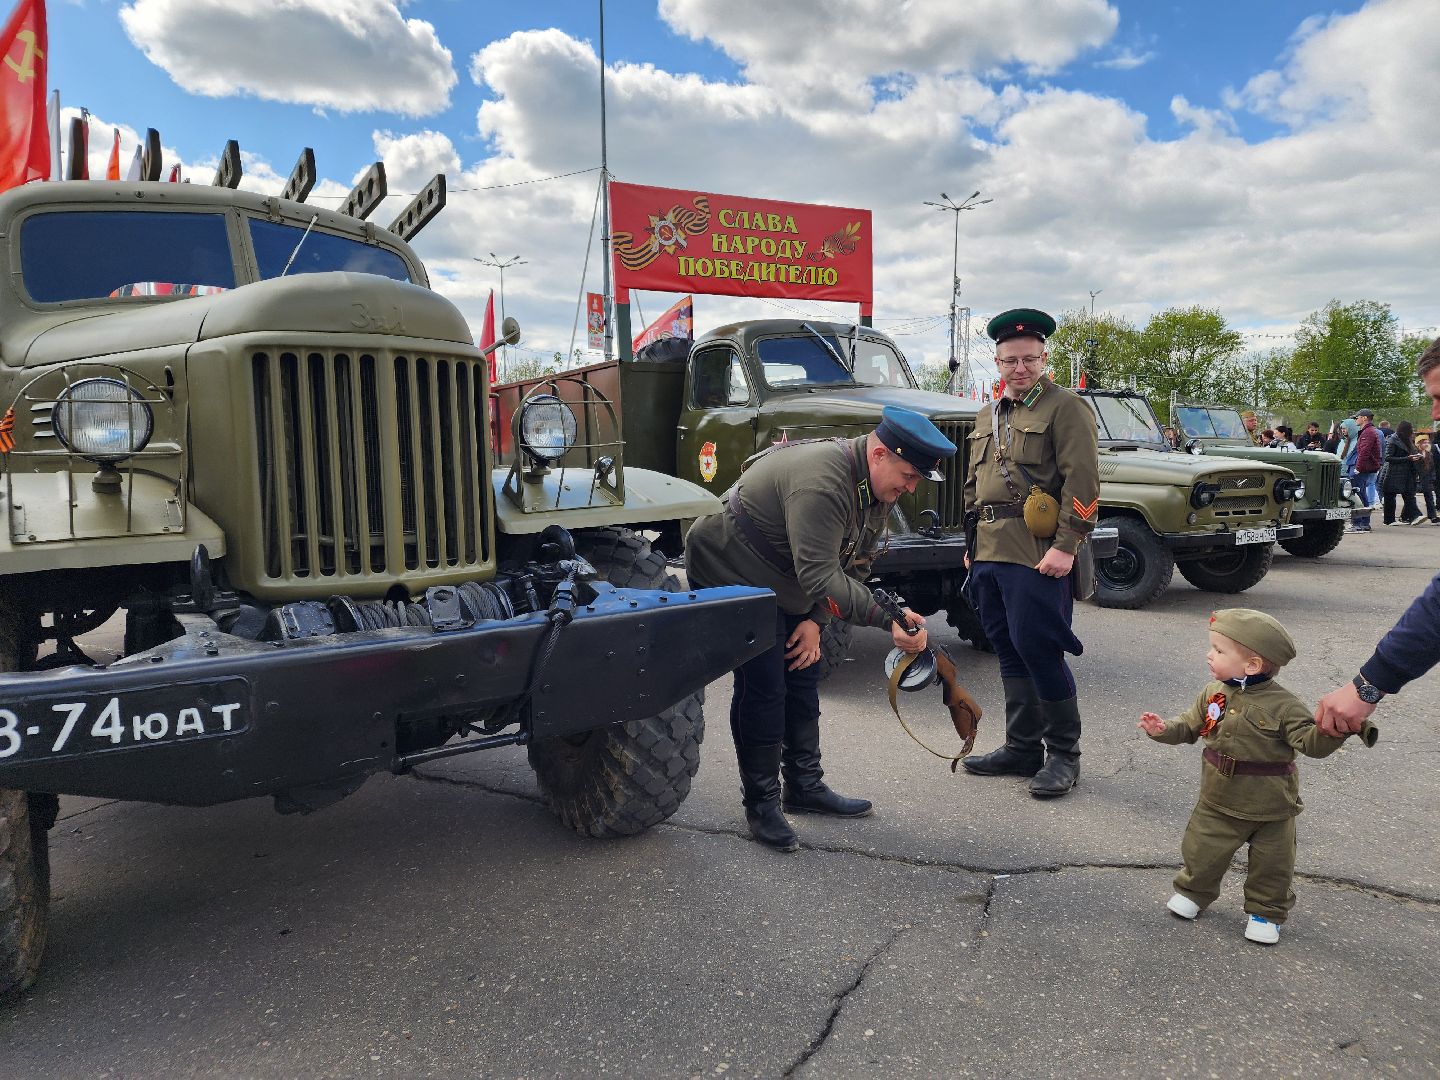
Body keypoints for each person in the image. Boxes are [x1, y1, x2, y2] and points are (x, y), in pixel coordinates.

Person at [685, 406, 954, 851]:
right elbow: (819, 578)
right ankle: (762, 804)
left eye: (917, 480)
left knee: (803, 673)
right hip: (729, 565)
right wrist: (889, 620)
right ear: (880, 453)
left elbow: (856, 563)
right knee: (766, 684)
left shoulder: (874, 488)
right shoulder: (823, 482)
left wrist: (815, 620)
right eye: (908, 475)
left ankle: (804, 787)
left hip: (787, 574)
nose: (910, 487)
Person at [1138, 610, 1363, 945]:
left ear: (1253, 665)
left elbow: (1311, 744)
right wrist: (1163, 730)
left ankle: (1265, 912)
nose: (1209, 655)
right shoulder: (1214, 692)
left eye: (1219, 650)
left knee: (1272, 865)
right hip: (1217, 798)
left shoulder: (1285, 706)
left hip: (1270, 807)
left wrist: (1337, 729)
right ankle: (1194, 892)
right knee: (1201, 851)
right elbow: (1189, 725)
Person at [960, 307, 1100, 799]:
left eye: (1029, 359)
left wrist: (1068, 545)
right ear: (996, 363)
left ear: (1044, 360)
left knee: (1039, 650)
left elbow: (1083, 481)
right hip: (990, 551)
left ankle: (1065, 754)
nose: (1019, 369)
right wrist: (970, 547)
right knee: (1008, 651)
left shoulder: (1066, 407)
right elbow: (973, 485)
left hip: (1038, 551)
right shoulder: (988, 414)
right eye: (1009, 361)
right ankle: (1022, 748)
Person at [1316, 336, 1440, 738]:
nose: (1435, 414)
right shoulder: (1370, 436)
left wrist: (1370, 683)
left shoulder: (1373, 437)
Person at [1380, 419, 1422, 526]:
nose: (1412, 433)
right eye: (1410, 431)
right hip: (1393, 473)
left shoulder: (1407, 440)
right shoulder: (1392, 440)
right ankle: (1389, 520)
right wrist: (1408, 458)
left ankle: (1411, 516)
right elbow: (1388, 458)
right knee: (1390, 496)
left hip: (1406, 472)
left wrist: (1417, 456)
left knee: (1409, 494)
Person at [1352, 409, 1383, 528]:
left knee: (1358, 496)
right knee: (1362, 494)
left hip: (1364, 468)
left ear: (1364, 418)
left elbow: (1364, 451)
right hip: (1368, 467)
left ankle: (1360, 523)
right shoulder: (1369, 431)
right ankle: (1363, 523)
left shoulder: (1368, 432)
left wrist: (1358, 468)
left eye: (1357, 417)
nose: (1356, 419)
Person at [1418, 433, 1440, 524]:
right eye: (1424, 442)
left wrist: (1432, 477)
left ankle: (1433, 516)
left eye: (1427, 442)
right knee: (1409, 498)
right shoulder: (1415, 453)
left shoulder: (1429, 453)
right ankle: (1406, 515)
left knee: (1429, 497)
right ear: (1418, 444)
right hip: (1417, 479)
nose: (1426, 444)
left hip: (1427, 478)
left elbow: (1432, 468)